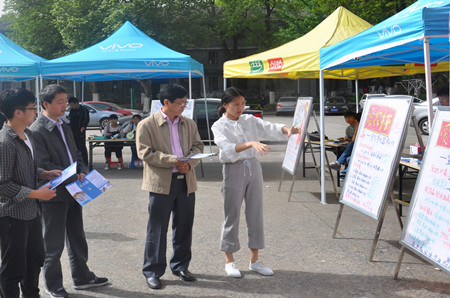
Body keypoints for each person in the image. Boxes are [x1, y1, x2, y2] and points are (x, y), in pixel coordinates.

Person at [211, 87, 300, 278]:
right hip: (233, 168)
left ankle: (255, 260)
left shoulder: (249, 120)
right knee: (231, 213)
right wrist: (251, 143)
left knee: (255, 213)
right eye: (235, 104)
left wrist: (288, 130)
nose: (240, 108)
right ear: (225, 105)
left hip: (253, 167)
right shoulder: (219, 126)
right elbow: (226, 148)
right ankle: (229, 260)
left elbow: (269, 127)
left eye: (242, 103)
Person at [29, 84, 108, 298]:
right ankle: (53, 284)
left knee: (77, 237)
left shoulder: (64, 124)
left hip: (74, 189)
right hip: (54, 194)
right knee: (52, 243)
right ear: (46, 104)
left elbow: (77, 153)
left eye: (66, 101)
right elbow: (43, 164)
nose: (65, 105)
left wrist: (82, 170)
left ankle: (82, 277)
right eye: (60, 102)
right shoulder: (37, 130)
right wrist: (71, 173)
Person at [136, 83, 204, 290]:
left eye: (185, 102)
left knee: (184, 227)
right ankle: (153, 271)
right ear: (166, 103)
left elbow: (198, 147)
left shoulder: (189, 123)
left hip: (186, 182)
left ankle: (181, 266)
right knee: (157, 229)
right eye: (179, 102)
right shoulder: (147, 124)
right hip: (161, 184)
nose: (183, 106)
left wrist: (189, 163)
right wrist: (174, 160)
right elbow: (145, 153)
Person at [0, 88, 61, 298]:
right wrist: (37, 194)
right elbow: (3, 184)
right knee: (13, 268)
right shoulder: (5, 142)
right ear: (18, 112)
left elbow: (25, 168)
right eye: (32, 108)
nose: (36, 112)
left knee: (35, 260)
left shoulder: (28, 135)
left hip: (32, 212)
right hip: (12, 216)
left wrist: (45, 173)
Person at [66, 97, 90, 165]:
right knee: (74, 146)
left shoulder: (84, 110)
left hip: (80, 130)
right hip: (72, 129)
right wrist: (68, 118)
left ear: (76, 103)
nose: (72, 106)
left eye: (73, 105)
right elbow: (71, 117)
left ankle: (85, 162)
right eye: (71, 105)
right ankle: (76, 162)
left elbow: (86, 119)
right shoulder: (72, 110)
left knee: (81, 147)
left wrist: (83, 127)